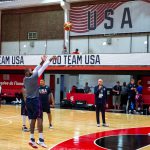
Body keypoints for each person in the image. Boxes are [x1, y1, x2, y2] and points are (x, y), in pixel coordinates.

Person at [23, 55, 56, 149]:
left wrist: (41, 61)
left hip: (28, 102)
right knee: (40, 119)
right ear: (28, 73)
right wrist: (50, 59)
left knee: (32, 119)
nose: (32, 70)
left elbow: (37, 67)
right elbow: (43, 68)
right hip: (35, 101)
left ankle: (31, 139)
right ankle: (41, 140)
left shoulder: (25, 79)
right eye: (30, 70)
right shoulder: (33, 76)